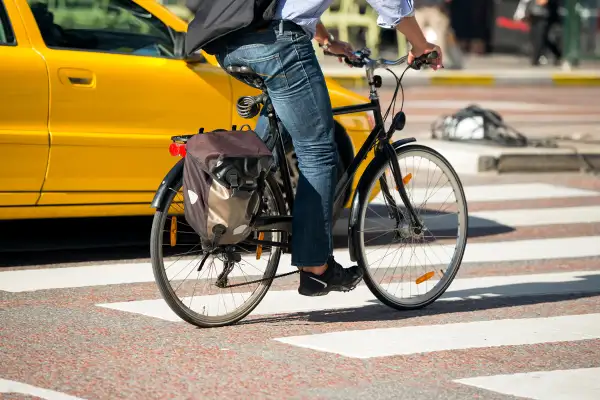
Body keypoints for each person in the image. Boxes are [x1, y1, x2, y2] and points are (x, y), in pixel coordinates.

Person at [213, 0, 443, 297]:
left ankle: (226, 207)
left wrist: (327, 40)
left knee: (267, 143)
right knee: (319, 152)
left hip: (232, 42)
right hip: (278, 44)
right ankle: (316, 270)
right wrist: (420, 43)